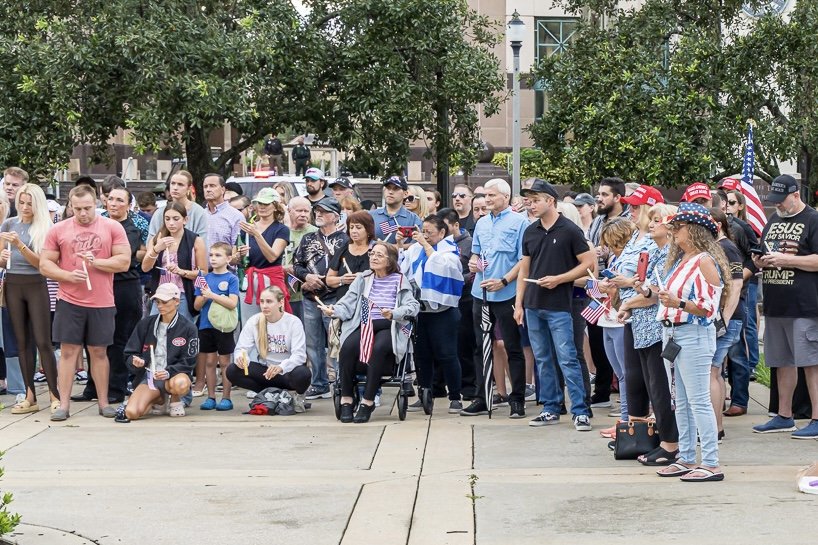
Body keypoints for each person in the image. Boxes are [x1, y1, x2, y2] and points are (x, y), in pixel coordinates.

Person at [652, 203, 729, 482]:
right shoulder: (683, 260)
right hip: (674, 332)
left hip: (693, 333)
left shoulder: (704, 261)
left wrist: (678, 302)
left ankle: (710, 462)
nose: (673, 231)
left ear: (694, 231)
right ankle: (686, 457)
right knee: (681, 401)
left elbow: (709, 308)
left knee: (697, 401)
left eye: (678, 226)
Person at [40, 184, 131, 421]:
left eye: (88, 208)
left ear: (97, 204)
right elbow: (45, 264)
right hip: (69, 300)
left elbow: (124, 261)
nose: (83, 213)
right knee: (69, 351)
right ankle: (64, 405)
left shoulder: (112, 227)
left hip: (102, 301)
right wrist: (67, 276)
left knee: (99, 352)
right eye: (78, 208)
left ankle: (103, 403)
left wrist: (97, 263)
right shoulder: (58, 230)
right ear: (70, 205)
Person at [513, 180, 596, 429]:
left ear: (551, 200)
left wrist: (560, 279)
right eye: (529, 199)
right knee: (542, 358)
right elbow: (523, 269)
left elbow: (589, 263)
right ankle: (550, 407)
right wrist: (519, 304)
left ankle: (580, 410)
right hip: (533, 304)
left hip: (559, 304)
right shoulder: (530, 231)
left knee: (567, 357)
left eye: (536, 199)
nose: (531, 204)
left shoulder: (569, 229)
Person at [321, 242, 420, 423]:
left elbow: (413, 306)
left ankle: (367, 401)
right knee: (348, 346)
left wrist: (394, 313)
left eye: (379, 255)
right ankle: (347, 399)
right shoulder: (364, 278)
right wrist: (333, 310)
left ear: (390, 260)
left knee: (380, 347)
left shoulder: (400, 280)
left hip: (389, 324)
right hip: (365, 322)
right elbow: (348, 302)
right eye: (372, 254)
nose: (373, 258)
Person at [752, 175, 818, 438]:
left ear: (795, 195)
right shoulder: (774, 220)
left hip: (804, 305)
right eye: (775, 202)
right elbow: (766, 251)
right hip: (775, 302)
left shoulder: (813, 219)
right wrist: (761, 261)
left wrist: (787, 260)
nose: (778, 206)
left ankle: (815, 418)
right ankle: (784, 415)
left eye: (782, 201)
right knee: (781, 363)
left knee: (811, 363)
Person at [617, 203, 680, 464]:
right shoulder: (653, 251)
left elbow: (654, 295)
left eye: (657, 220)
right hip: (642, 327)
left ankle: (670, 444)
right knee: (652, 386)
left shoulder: (669, 254)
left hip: (657, 328)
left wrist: (628, 303)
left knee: (661, 388)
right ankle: (662, 440)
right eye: (651, 219)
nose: (651, 224)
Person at [461, 179, 528, 418]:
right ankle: (482, 397)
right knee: (481, 346)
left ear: (506, 197)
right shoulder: (481, 224)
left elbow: (524, 261)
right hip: (481, 292)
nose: (487, 200)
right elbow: (476, 252)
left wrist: (505, 281)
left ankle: (517, 399)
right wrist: (473, 262)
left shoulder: (520, 222)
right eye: (485, 195)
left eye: (491, 195)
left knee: (512, 346)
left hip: (506, 292)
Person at [73, 186, 147, 405]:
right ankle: (92, 387)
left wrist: (95, 257)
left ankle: (116, 387)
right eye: (111, 199)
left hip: (124, 287)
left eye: (120, 200)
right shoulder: (98, 225)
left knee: (119, 339)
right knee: (94, 339)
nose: (114, 203)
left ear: (128, 204)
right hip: (97, 286)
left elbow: (120, 259)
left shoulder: (130, 228)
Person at [1, 184, 59, 414]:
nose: (25, 207)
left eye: (29, 203)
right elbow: (2, 261)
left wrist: (19, 245)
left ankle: (55, 395)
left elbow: (41, 264)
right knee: (22, 342)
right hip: (13, 284)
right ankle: (29, 395)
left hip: (36, 284)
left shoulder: (45, 227)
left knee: (43, 341)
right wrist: (4, 256)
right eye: (21, 202)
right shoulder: (9, 224)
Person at [400, 215, 464, 413]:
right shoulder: (415, 249)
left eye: (430, 232)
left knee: (447, 354)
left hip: (443, 311)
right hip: (421, 310)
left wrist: (425, 246)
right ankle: (424, 394)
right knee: (422, 355)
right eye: (423, 231)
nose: (425, 236)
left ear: (442, 233)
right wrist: (401, 244)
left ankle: (455, 396)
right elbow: (403, 269)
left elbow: (444, 267)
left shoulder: (450, 250)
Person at [294, 197, 349, 399]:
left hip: (335, 298)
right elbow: (297, 264)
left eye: (324, 211)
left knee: (336, 343)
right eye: (316, 210)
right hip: (310, 297)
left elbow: (348, 269)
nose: (318, 214)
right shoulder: (307, 238)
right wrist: (306, 277)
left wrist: (327, 280)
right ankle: (319, 383)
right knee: (313, 344)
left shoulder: (345, 240)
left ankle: (343, 383)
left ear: (335, 216)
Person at [122, 283, 199, 421]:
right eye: (157, 302)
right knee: (132, 412)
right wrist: (136, 361)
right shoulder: (146, 323)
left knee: (180, 383)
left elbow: (190, 360)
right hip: (150, 377)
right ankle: (160, 399)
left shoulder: (189, 327)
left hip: (173, 376)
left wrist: (169, 371)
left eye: (164, 302)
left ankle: (175, 398)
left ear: (176, 302)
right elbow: (130, 352)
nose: (160, 306)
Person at [227, 285, 310, 412]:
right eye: (262, 301)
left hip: (287, 372)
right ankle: (266, 394)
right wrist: (241, 358)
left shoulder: (293, 322)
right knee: (232, 370)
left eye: (269, 301)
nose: (264, 305)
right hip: (266, 372)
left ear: (281, 302)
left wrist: (281, 367)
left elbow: (299, 355)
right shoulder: (254, 321)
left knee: (303, 374)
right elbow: (242, 348)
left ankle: (297, 397)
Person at [586, 177, 628, 411]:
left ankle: (627, 400)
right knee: (597, 339)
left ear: (617, 198)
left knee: (621, 347)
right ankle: (601, 389)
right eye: (599, 194)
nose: (599, 198)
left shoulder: (628, 220)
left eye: (604, 195)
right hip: (597, 285)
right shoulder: (597, 221)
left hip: (619, 288)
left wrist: (608, 252)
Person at [708, 208, 746, 441]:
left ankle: (714, 428)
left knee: (711, 372)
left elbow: (736, 285)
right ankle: (716, 427)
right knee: (715, 372)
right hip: (721, 318)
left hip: (726, 319)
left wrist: (724, 319)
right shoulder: (716, 248)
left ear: (718, 226)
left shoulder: (727, 248)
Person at [194, 242, 240, 411]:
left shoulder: (231, 278)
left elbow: (232, 303)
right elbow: (197, 306)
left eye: (218, 255)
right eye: (211, 255)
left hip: (223, 326)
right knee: (210, 361)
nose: (213, 258)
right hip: (206, 325)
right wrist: (204, 296)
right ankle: (211, 397)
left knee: (225, 361)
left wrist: (212, 295)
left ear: (228, 258)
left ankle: (226, 397)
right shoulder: (204, 279)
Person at [142, 202, 208, 320]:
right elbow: (145, 268)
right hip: (160, 293)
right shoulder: (157, 239)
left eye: (176, 218)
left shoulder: (196, 240)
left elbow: (203, 272)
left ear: (185, 220)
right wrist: (156, 249)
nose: (171, 223)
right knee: (155, 331)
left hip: (183, 294)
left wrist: (182, 272)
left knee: (181, 333)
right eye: (167, 219)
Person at [438, 208, 477, 399]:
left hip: (464, 297)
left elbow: (473, 270)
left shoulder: (468, 243)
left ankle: (468, 387)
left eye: (445, 227)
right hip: (441, 298)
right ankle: (437, 385)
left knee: (464, 343)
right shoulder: (437, 244)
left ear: (456, 225)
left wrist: (457, 280)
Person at [236, 187, 291, 325]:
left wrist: (257, 234)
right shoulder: (248, 228)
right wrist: (239, 255)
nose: (262, 207)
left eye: (266, 204)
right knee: (251, 323)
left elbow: (272, 256)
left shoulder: (281, 229)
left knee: (274, 322)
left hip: (271, 279)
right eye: (259, 203)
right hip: (249, 279)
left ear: (275, 206)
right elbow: (233, 259)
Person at [147, 170, 208, 245]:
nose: (175, 187)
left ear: (189, 188)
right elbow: (150, 243)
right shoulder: (159, 213)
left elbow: (204, 243)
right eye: (173, 183)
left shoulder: (199, 213)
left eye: (180, 184)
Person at [326, 211, 376, 300]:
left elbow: (386, 277)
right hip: (344, 303)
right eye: (351, 227)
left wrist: (364, 277)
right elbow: (329, 280)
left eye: (358, 227)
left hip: (369, 301)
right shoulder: (343, 249)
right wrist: (342, 279)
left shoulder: (376, 249)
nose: (354, 231)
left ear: (368, 229)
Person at [284, 197, 318, 321]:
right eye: (299, 211)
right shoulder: (281, 231)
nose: (303, 214)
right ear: (289, 211)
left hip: (306, 292)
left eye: (306, 211)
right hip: (284, 290)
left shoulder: (316, 233)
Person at [369, 176, 423, 241]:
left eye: (396, 188)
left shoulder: (414, 219)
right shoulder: (370, 216)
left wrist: (397, 247)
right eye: (388, 188)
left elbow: (416, 244)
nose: (390, 192)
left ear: (405, 194)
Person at [203, 173, 244, 249]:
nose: (208, 190)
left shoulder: (236, 216)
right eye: (205, 187)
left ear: (223, 190)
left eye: (212, 186)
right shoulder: (200, 215)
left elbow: (238, 249)